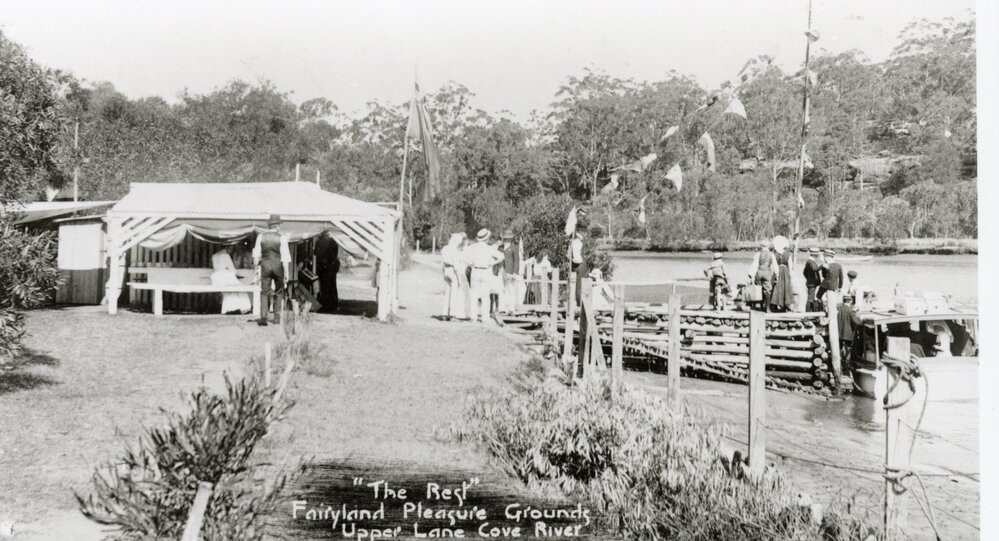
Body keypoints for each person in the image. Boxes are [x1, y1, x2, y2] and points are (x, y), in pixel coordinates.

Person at [252, 214, 292, 326]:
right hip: (278, 266)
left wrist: (256, 269)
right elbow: (285, 257)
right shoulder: (282, 238)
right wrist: (286, 273)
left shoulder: (260, 237)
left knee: (264, 292)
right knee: (279, 292)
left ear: (269, 225)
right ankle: (277, 318)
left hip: (265, 266)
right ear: (277, 226)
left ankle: (264, 318)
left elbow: (256, 256)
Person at [466, 229, 505, 323]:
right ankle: (485, 317)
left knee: (474, 295)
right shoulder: (489, 248)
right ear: (487, 238)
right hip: (485, 271)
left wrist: (472, 264)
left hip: (475, 270)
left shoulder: (472, 247)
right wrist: (492, 263)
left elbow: (466, 259)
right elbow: (501, 256)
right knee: (485, 295)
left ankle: (473, 317)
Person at [210, 246, 252, 315]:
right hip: (225, 276)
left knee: (228, 292)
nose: (231, 251)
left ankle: (228, 308)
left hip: (215, 278)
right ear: (228, 248)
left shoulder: (214, 255)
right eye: (231, 249)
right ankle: (244, 308)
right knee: (241, 288)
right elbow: (233, 270)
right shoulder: (226, 255)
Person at [440, 232, 469, 320]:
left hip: (446, 270)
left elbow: (443, 261)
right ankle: (452, 314)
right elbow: (456, 266)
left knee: (447, 293)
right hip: (452, 270)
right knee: (454, 293)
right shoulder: (455, 251)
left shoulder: (444, 248)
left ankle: (444, 313)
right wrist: (459, 280)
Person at [747, 240, 779, 311]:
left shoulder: (758, 254)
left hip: (759, 272)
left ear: (761, 247)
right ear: (768, 246)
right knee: (767, 290)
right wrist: (777, 275)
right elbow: (775, 266)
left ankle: (761, 307)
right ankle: (767, 308)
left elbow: (754, 265)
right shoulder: (771, 254)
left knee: (759, 289)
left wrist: (751, 275)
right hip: (767, 272)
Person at [314, 230, 341, 312]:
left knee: (324, 286)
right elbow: (335, 255)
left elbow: (315, 253)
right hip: (330, 267)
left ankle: (326, 304)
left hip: (323, 267)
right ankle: (333, 304)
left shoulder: (319, 242)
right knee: (332, 286)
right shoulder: (333, 242)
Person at [769, 235, 795, 312]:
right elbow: (790, 266)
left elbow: (773, 265)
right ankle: (785, 305)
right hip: (786, 271)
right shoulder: (788, 254)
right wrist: (791, 274)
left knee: (777, 288)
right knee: (786, 288)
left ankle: (774, 305)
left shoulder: (775, 254)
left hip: (778, 270)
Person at [500, 231, 520, 314]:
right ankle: (503, 308)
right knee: (502, 289)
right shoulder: (500, 247)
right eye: (505, 238)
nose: (507, 239)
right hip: (501, 271)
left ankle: (511, 308)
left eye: (508, 238)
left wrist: (514, 273)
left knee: (511, 289)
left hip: (510, 272)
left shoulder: (514, 248)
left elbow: (516, 261)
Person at [803, 248, 824, 312]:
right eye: (817, 254)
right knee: (810, 299)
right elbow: (815, 269)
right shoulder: (811, 262)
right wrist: (822, 265)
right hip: (812, 283)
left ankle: (810, 311)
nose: (818, 256)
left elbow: (804, 272)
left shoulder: (809, 261)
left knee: (810, 297)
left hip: (810, 282)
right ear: (814, 255)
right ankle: (808, 312)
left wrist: (809, 278)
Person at [568, 231, 586, 303]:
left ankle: (575, 301)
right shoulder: (576, 242)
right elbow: (576, 257)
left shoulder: (572, 243)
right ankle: (579, 302)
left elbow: (569, 255)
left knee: (574, 284)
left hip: (574, 264)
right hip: (578, 264)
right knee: (579, 285)